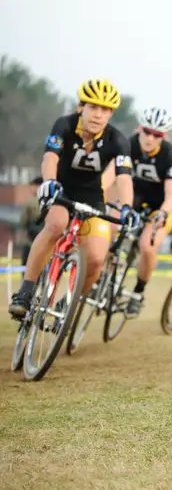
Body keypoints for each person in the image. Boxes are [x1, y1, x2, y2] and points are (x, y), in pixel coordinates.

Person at [9, 79, 140, 319]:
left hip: (92, 197)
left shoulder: (118, 141)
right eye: (93, 107)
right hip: (61, 189)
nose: (98, 114)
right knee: (56, 224)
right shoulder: (64, 125)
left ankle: (70, 305)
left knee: (97, 258)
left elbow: (124, 177)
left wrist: (127, 207)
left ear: (110, 114)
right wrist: (49, 182)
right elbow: (50, 157)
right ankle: (25, 293)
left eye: (105, 110)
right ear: (81, 107)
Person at [109, 107, 172, 317]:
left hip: (164, 200)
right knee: (112, 222)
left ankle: (138, 293)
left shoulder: (170, 155)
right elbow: (112, 174)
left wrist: (162, 213)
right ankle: (107, 272)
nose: (150, 138)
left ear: (164, 136)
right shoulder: (129, 144)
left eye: (157, 135)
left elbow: (171, 196)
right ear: (139, 129)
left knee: (147, 245)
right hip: (138, 191)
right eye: (147, 132)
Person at [18, 177, 46, 267]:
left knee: (26, 264)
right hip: (47, 239)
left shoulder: (31, 202)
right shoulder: (51, 202)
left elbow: (23, 221)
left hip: (31, 239)